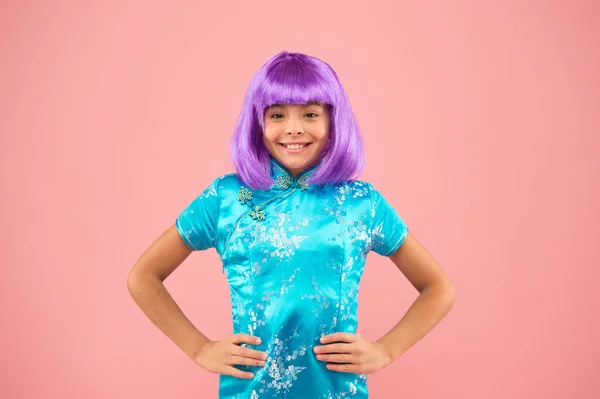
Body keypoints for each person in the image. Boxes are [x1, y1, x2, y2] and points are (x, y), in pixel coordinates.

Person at [127, 50, 455, 398]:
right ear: (258, 122)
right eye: (278, 114)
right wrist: (199, 348)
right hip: (250, 391)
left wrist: (386, 350)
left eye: (310, 114)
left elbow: (439, 288)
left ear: (333, 121)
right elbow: (143, 276)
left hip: (337, 390)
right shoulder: (226, 198)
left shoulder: (362, 202)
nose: (294, 128)